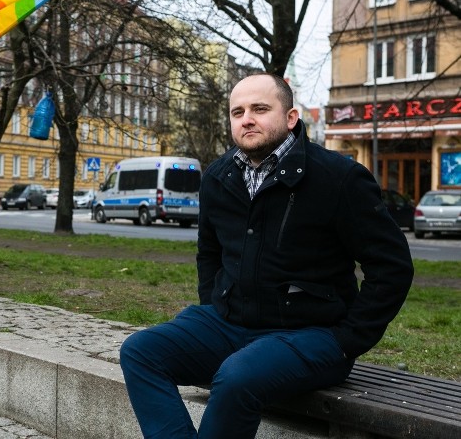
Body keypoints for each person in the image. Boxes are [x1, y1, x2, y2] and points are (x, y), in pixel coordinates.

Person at [119, 73, 415, 439]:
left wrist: (347, 341)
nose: (247, 119)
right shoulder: (218, 176)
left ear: (290, 117)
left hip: (311, 333)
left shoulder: (339, 178)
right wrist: (217, 305)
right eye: (237, 111)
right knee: (140, 351)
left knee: (237, 377)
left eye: (260, 108)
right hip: (231, 324)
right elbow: (209, 253)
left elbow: (392, 267)